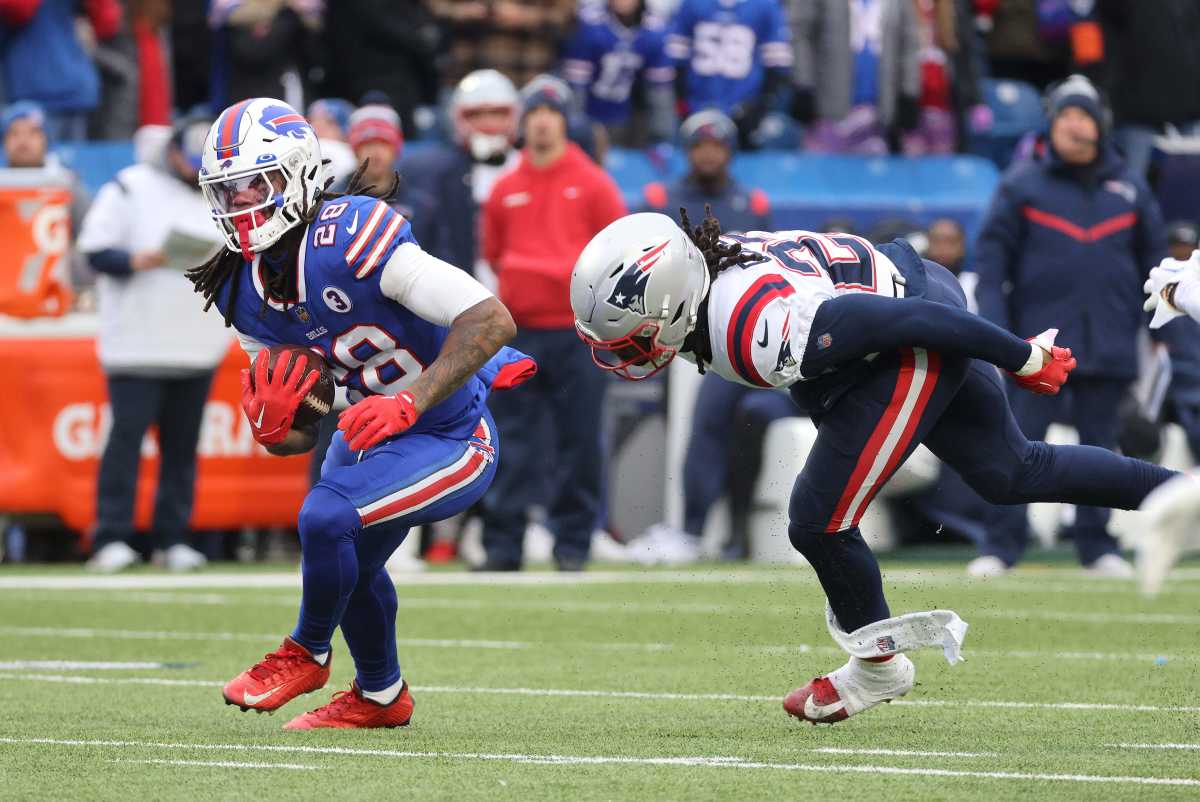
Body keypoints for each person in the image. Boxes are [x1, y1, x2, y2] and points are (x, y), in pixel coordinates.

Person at [570, 209, 1176, 724]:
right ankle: (1185, 497)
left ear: (673, 301)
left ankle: (877, 670)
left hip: (911, 326)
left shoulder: (754, 324)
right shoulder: (709, 287)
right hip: (892, 315)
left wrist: (1020, 356)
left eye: (629, 339)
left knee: (818, 521)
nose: (624, 355)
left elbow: (906, 323)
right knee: (1014, 472)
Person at [187, 97, 533, 729]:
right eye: (228, 193)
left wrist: (411, 399)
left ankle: (307, 651)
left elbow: (492, 319)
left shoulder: (349, 237)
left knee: (325, 518)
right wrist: (275, 430)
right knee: (350, 559)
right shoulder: (241, 287)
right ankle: (380, 695)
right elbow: (300, 428)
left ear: (295, 175)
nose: (241, 206)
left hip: (452, 429)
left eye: (254, 186)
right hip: (369, 430)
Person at [970, 75, 1167, 578]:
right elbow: (992, 270)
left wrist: (1160, 332)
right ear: (1051, 125)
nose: (1075, 126)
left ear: (1099, 127)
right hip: (1036, 350)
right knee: (1015, 447)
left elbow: (1157, 268)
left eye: (1083, 116)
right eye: (1065, 117)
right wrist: (1000, 339)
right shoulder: (1021, 185)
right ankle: (1000, 546)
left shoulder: (1130, 188)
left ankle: (1097, 547)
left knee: (1102, 450)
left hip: (1110, 343)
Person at [477, 80, 627, 571]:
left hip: (577, 333)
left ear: (566, 120)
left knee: (579, 440)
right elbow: (495, 255)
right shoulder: (506, 188)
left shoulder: (593, 184)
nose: (542, 120)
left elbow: (618, 253)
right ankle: (502, 546)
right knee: (509, 442)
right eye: (534, 111)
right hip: (518, 333)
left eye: (551, 111)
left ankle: (572, 546)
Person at [77, 117, 231, 573]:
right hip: (137, 345)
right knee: (125, 443)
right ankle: (110, 535)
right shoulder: (129, 187)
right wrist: (134, 260)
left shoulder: (221, 195)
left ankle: (173, 536)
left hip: (196, 344)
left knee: (182, 449)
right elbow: (95, 250)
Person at [634, 108, 787, 564]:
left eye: (715, 146)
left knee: (744, 420)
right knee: (706, 424)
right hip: (687, 331)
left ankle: (733, 530)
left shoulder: (752, 203)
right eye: (699, 145)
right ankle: (694, 528)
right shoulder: (663, 196)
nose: (707, 154)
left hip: (746, 330)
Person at [404, 69, 519, 280]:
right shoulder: (441, 172)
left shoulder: (526, 166)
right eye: (476, 115)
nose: (488, 124)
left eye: (497, 113)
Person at [789, 0, 920, 155]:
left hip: (880, 117)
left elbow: (908, 43)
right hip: (830, 112)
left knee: (876, 174)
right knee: (824, 173)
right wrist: (803, 85)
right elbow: (801, 35)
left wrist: (908, 92)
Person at [666, 0, 792, 148]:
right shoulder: (691, 4)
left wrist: (759, 108)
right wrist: (682, 103)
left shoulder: (766, 6)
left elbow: (777, 65)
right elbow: (676, 60)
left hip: (745, 109)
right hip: (697, 107)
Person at [0, 0, 121, 140]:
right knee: (33, 158)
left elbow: (108, 24)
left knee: (75, 160)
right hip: (31, 96)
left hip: (76, 93)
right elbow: (20, 9)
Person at [561, 0, 676, 146]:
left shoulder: (654, 30)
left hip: (624, 118)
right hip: (588, 115)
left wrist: (661, 137)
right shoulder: (589, 24)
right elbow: (575, 88)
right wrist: (574, 128)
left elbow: (660, 92)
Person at [345, 102, 436, 246]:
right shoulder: (336, 205)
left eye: (383, 143)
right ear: (355, 150)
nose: (376, 153)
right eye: (367, 143)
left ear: (396, 149)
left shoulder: (422, 207)